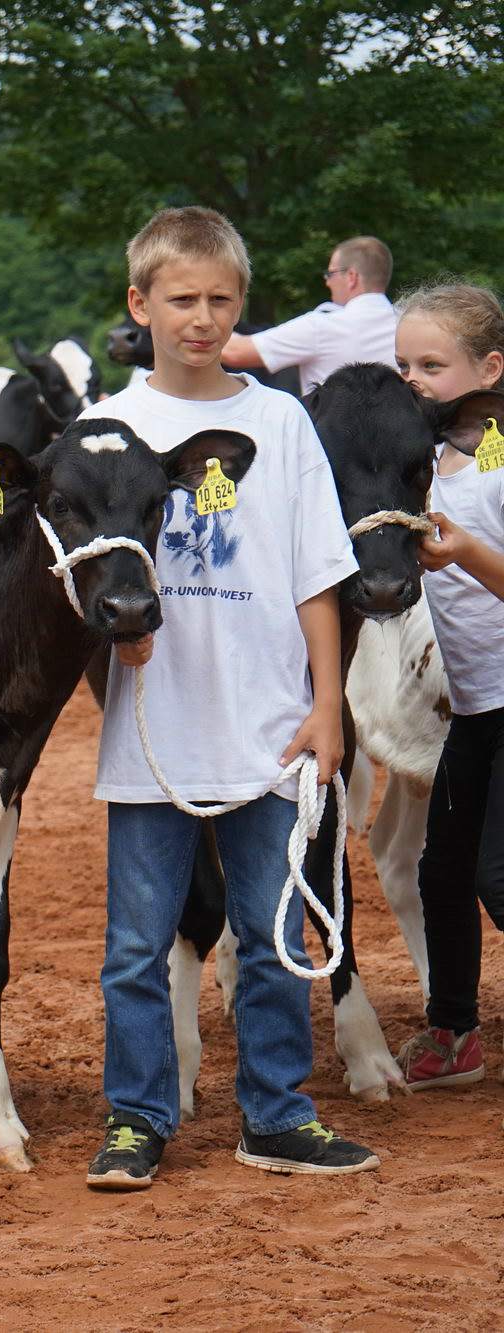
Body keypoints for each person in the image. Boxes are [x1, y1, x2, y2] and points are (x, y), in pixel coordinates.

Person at [81, 206, 379, 1188]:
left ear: (239, 306)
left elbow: (313, 570)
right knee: (134, 945)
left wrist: (326, 704)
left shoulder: (277, 421)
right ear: (139, 305)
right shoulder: (105, 430)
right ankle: (135, 1117)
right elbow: (76, 579)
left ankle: (276, 1115)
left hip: (269, 726)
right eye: (179, 300)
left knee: (272, 935)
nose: (199, 318)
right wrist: (107, 639)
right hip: (153, 732)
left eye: (217, 300)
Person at [389, 283, 504, 1091]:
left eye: (432, 364)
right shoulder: (417, 460)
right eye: (402, 365)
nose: (414, 379)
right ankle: (455, 1032)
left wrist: (460, 550)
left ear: (490, 369)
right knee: (441, 870)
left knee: (498, 872)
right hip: (474, 704)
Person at [222, 235, 397, 394]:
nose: (328, 283)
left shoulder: (323, 327)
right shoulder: (407, 325)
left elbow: (234, 352)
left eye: (331, 274)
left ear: (351, 277)